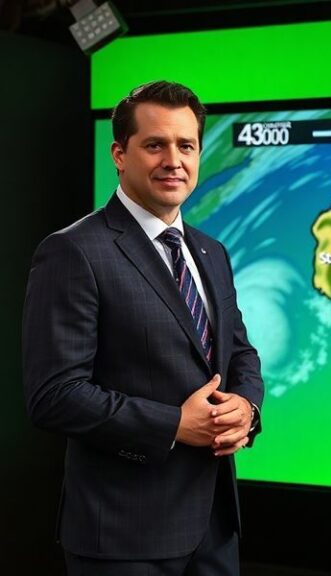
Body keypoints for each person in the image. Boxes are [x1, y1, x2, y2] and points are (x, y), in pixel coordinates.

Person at [22, 80, 264, 575]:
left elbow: (239, 353)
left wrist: (247, 407)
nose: (173, 160)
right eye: (155, 144)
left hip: (216, 530)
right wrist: (174, 425)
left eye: (186, 145)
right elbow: (54, 394)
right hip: (122, 538)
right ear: (119, 153)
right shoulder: (73, 251)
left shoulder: (211, 251)